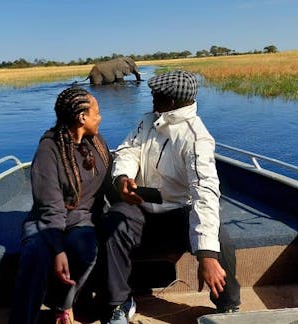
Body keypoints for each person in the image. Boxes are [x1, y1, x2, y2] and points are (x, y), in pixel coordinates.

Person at [97, 70, 241, 323]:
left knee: (220, 240)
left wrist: (206, 255)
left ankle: (228, 307)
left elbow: (204, 193)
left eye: (156, 95)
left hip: (177, 214)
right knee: (113, 222)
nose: (151, 98)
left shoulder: (196, 139)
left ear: (172, 102)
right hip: (139, 206)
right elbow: (128, 150)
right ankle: (118, 303)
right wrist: (123, 178)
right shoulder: (148, 120)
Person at [9, 87, 114, 324]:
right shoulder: (49, 149)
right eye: (97, 112)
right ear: (82, 118)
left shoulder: (98, 143)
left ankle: (62, 304)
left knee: (86, 248)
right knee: (36, 253)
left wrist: (126, 188)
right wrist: (57, 248)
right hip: (45, 220)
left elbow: (108, 186)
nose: (100, 117)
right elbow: (49, 206)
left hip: (82, 219)